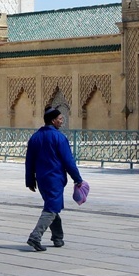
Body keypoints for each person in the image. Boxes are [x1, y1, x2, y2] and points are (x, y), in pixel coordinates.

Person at [25, 107, 83, 252]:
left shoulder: (35, 137)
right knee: (51, 208)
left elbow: (29, 161)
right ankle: (35, 237)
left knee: (52, 206)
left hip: (42, 179)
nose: (62, 122)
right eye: (60, 119)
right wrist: (77, 178)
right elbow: (68, 161)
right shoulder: (59, 137)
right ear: (53, 120)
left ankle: (57, 238)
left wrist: (30, 180)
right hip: (55, 179)